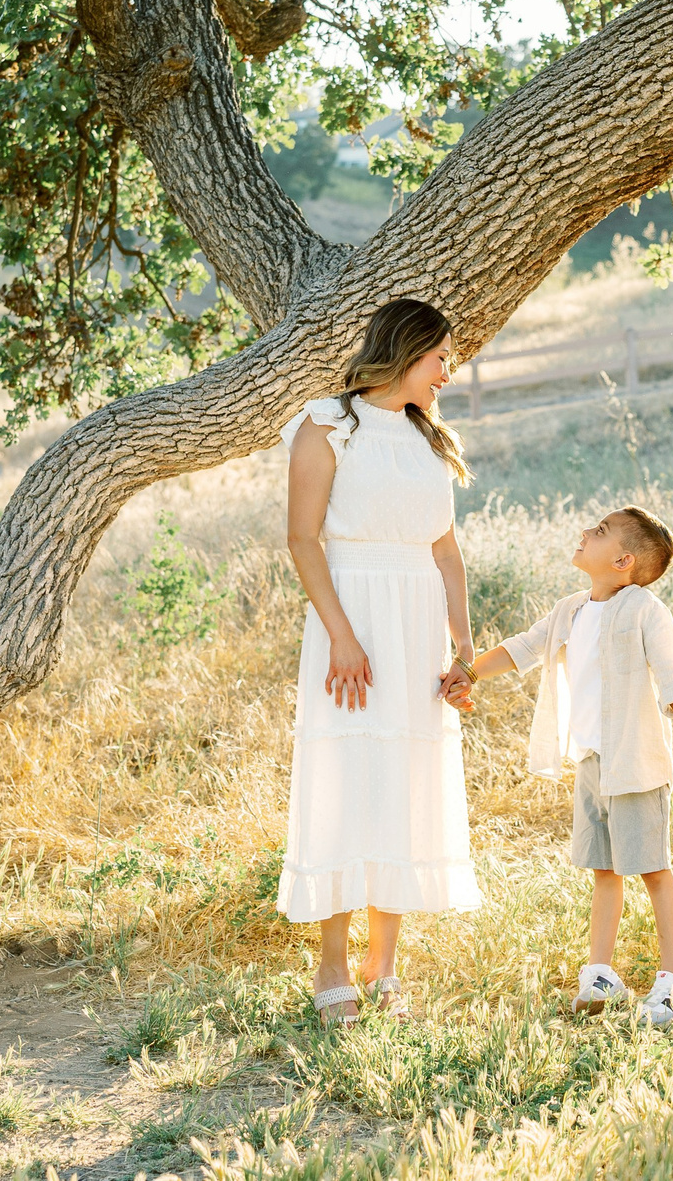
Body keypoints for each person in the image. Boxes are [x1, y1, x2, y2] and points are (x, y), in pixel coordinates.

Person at [278, 298, 483, 1025]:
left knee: (403, 784)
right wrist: (341, 634)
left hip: (416, 626)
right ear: (407, 349)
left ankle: (383, 962)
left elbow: (445, 551)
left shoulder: (431, 440)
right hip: (352, 615)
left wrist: (464, 648)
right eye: (441, 358)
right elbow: (303, 538)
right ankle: (332, 961)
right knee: (346, 781)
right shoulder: (325, 426)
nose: (447, 373)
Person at [448, 507, 673, 1026]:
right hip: (591, 760)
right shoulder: (570, 610)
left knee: (653, 869)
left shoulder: (644, 610)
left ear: (623, 561)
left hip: (635, 763)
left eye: (601, 530)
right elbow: (523, 648)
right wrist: (467, 672)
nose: (586, 531)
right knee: (604, 870)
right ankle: (601, 972)